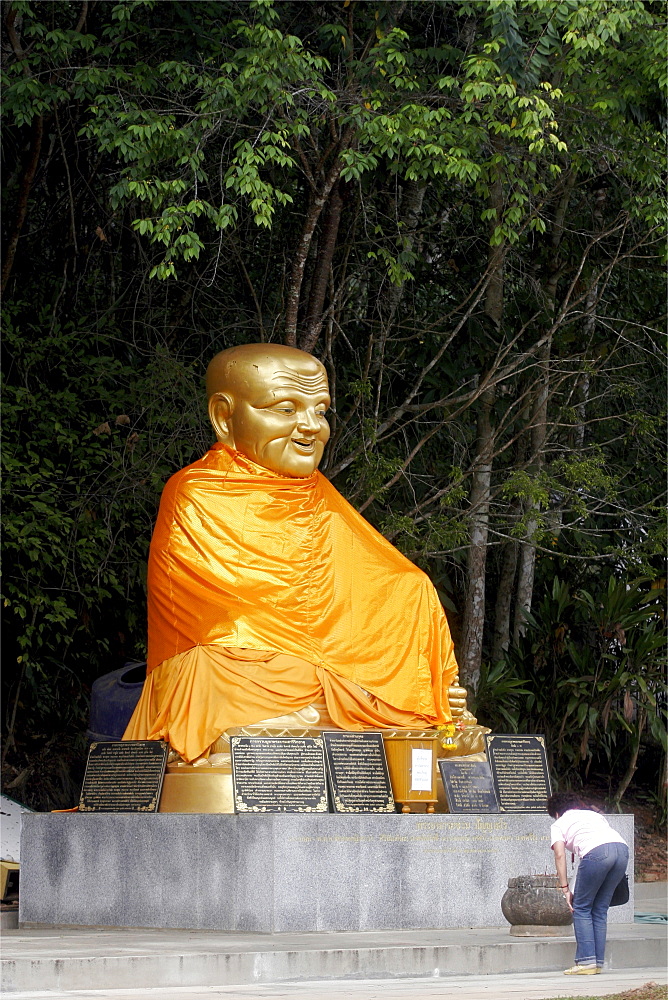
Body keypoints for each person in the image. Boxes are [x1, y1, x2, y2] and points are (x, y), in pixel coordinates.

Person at [124, 343, 460, 762]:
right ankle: (339, 716)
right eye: (286, 409)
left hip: (312, 664)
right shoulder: (196, 492)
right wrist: (302, 646)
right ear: (224, 418)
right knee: (212, 671)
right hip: (240, 663)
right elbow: (213, 609)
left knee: (411, 589)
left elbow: (371, 581)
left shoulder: (316, 494)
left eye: (319, 411)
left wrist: (401, 631)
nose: (310, 427)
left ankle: (381, 713)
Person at [547, 791, 629, 975]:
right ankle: (597, 962)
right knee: (599, 909)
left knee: (581, 907)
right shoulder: (594, 815)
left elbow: (559, 855)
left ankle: (585, 962)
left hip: (596, 853)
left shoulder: (558, 824)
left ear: (557, 813)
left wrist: (565, 888)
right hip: (622, 850)